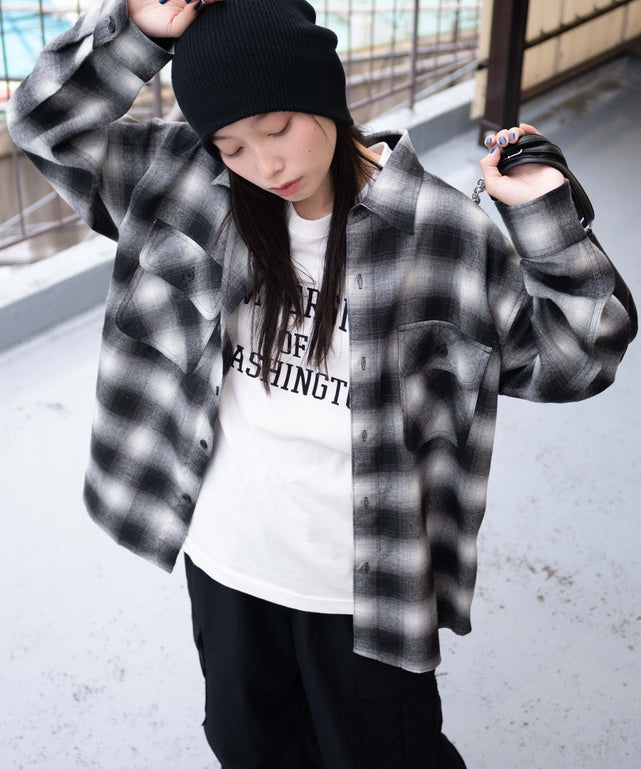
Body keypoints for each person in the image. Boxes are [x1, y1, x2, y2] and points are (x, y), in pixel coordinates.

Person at [7, 0, 636, 767]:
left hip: (363, 586)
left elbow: (580, 354)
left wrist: (542, 211)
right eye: (232, 145)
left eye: (277, 128)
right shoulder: (182, 183)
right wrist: (136, 29)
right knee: (245, 744)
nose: (265, 166)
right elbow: (41, 123)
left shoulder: (434, 229)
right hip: (227, 560)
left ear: (322, 94)